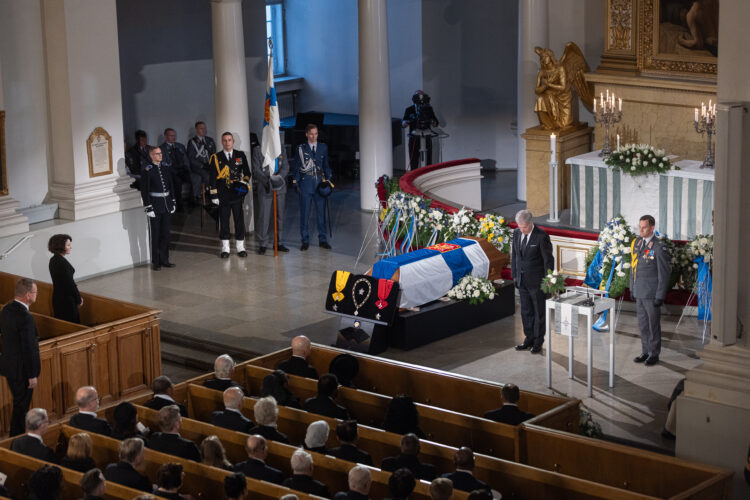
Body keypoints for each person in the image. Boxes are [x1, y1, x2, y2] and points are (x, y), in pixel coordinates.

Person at [0, 278, 41, 436]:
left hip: (9, 366)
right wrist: (32, 375)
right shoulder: (26, 318)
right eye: (35, 292)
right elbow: (28, 348)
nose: (36, 295)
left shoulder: (6, 309)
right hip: (23, 371)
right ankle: (16, 438)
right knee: (21, 406)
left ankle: (16, 437)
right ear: (28, 295)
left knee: (19, 404)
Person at [511, 210, 554, 354]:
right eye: (520, 227)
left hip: (537, 282)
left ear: (531, 223)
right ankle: (528, 339)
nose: (522, 230)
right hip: (522, 281)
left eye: (524, 227)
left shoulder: (541, 236)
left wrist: (549, 280)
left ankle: (537, 342)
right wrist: (515, 276)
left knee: (538, 313)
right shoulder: (516, 233)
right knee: (525, 312)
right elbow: (515, 256)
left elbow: (548, 260)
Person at [631, 215, 671, 366]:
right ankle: (645, 351)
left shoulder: (659, 247)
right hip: (639, 292)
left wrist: (660, 295)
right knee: (643, 324)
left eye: (644, 227)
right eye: (639, 227)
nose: (641, 230)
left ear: (652, 228)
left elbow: (664, 274)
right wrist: (632, 288)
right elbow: (633, 268)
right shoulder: (638, 243)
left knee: (653, 325)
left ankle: (654, 353)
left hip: (652, 294)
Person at [209, 131, 251, 258]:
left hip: (237, 193)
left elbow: (247, 173)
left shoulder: (240, 155)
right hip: (222, 193)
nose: (227, 142)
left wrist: (243, 184)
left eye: (229, 140)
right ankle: (225, 248)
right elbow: (212, 178)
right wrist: (214, 195)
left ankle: (240, 247)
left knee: (239, 220)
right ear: (222, 142)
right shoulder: (216, 157)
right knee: (224, 220)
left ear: (233, 141)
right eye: (225, 140)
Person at [292, 124, 332, 251]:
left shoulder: (323, 147)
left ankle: (323, 239)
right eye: (311, 134)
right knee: (305, 214)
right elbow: (297, 166)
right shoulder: (301, 148)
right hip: (306, 184)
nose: (314, 136)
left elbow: (326, 165)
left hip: (320, 184)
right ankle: (305, 240)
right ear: (307, 134)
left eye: (316, 134)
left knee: (321, 214)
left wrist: (328, 180)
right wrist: (295, 182)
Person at [251, 138, 290, 254]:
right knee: (264, 216)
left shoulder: (281, 148)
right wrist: (266, 181)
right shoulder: (258, 150)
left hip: (279, 187)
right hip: (265, 187)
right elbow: (256, 169)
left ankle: (279, 242)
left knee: (280, 216)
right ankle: (263, 244)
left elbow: (286, 167)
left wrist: (277, 179)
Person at [141, 145, 176, 271]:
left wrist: (173, 201)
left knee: (166, 234)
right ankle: (156, 261)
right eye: (157, 154)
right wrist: (148, 206)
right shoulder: (148, 170)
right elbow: (145, 190)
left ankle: (165, 259)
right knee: (155, 234)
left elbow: (171, 185)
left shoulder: (165, 168)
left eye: (160, 153)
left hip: (166, 205)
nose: (160, 155)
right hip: (155, 206)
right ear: (151, 156)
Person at [47, 233, 83, 323]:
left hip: (57, 298)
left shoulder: (53, 260)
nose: (70, 247)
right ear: (60, 246)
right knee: (73, 325)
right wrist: (78, 299)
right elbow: (70, 284)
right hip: (67, 301)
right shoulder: (62, 263)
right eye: (68, 245)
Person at [160, 127, 198, 210]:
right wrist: (171, 170)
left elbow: (186, 159)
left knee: (192, 178)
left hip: (182, 169)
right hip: (172, 171)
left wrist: (188, 169)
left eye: (174, 135)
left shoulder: (180, 146)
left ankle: (191, 201)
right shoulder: (162, 148)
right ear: (166, 137)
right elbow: (163, 163)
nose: (174, 137)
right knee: (177, 182)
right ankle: (179, 204)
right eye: (171, 136)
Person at [402, 90, 439, 170]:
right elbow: (403, 123)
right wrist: (408, 121)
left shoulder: (429, 109)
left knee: (428, 160)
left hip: (427, 137)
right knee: (414, 162)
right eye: (418, 96)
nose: (420, 98)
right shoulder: (409, 109)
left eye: (421, 96)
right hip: (414, 138)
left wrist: (432, 121)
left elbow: (435, 122)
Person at [187, 121, 217, 200]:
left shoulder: (210, 140)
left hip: (209, 165)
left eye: (204, 128)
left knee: (217, 174)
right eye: (201, 128)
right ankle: (211, 195)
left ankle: (217, 193)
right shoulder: (192, 142)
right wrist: (202, 165)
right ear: (196, 130)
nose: (204, 130)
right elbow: (191, 158)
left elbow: (214, 154)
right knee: (208, 176)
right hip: (198, 166)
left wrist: (212, 164)